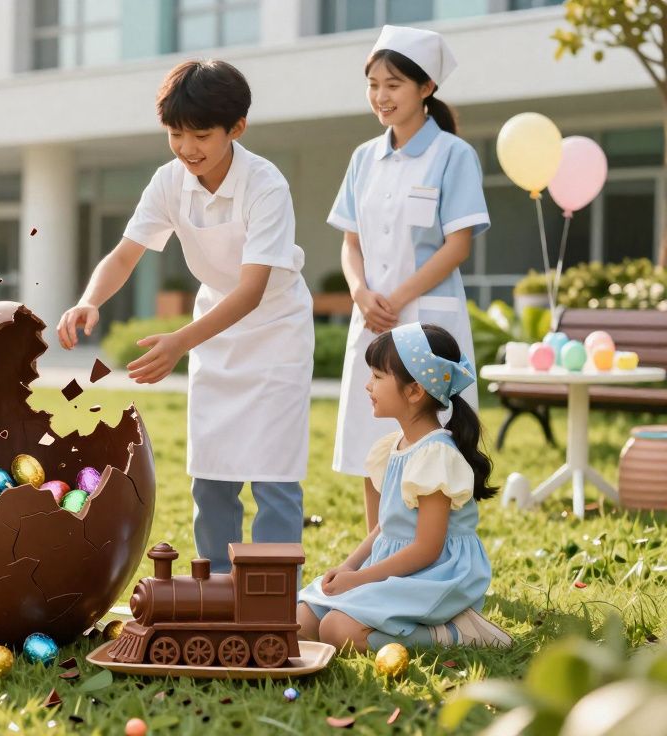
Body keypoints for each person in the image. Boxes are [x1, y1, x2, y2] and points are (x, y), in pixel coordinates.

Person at [58, 59, 313, 572]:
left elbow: (252, 288)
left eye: (201, 134)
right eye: (176, 134)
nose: (187, 148)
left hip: (275, 330)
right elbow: (126, 253)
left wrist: (179, 342)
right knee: (211, 472)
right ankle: (217, 583)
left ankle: (273, 594)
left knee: (274, 474)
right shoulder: (170, 180)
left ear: (236, 128)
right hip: (214, 331)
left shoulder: (266, 185)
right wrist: (90, 299)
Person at [331, 25, 489, 477]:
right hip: (372, 317)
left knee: (431, 444)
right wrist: (361, 293)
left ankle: (428, 543)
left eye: (393, 85)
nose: (381, 95)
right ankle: (380, 546)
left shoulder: (452, 155)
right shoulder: (363, 158)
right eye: (373, 84)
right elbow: (350, 242)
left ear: (427, 87)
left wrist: (395, 301)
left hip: (425, 319)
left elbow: (457, 246)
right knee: (371, 443)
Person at [298, 323, 511, 652]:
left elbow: (427, 548)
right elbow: (388, 526)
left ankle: (457, 633)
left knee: (337, 630)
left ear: (414, 391)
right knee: (301, 621)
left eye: (378, 377)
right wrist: (349, 566)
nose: (368, 386)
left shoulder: (436, 455)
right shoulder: (392, 448)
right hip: (393, 566)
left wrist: (361, 580)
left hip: (434, 573)